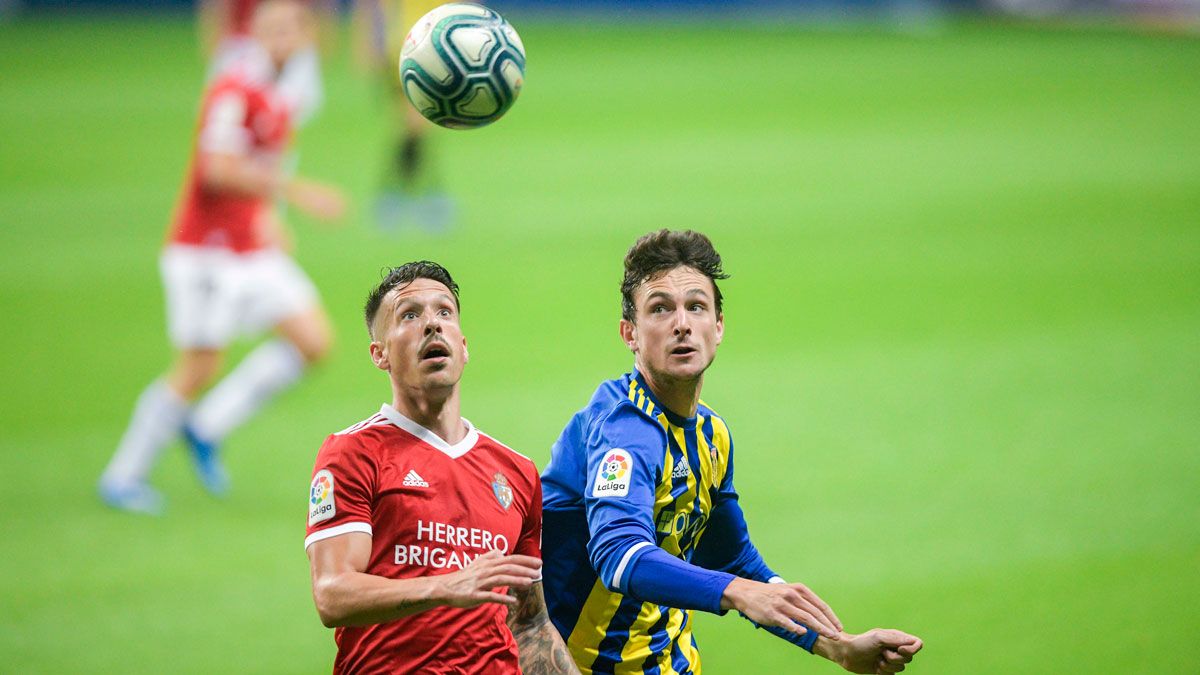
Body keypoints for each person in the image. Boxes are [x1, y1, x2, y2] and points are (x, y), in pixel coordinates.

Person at [540, 230, 924, 674]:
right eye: (660, 308)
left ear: (718, 326)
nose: (681, 323)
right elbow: (618, 554)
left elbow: (730, 556)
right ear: (630, 333)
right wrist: (738, 592)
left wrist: (836, 645)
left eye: (696, 306)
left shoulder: (711, 433)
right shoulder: (622, 430)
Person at [98, 0, 346, 514]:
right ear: (253, 34)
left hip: (249, 249)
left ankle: (207, 426)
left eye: (290, 28)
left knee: (313, 340)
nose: (280, 37)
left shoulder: (282, 97)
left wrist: (267, 215)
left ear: (305, 35)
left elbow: (255, 169)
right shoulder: (235, 89)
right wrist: (296, 194)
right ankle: (123, 475)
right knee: (198, 366)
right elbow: (216, 168)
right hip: (205, 252)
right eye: (269, 28)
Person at [304, 262, 577, 673]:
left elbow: (530, 624)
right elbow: (332, 594)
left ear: (463, 347)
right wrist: (446, 587)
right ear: (380, 354)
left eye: (444, 312)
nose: (432, 324)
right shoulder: (353, 453)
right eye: (409, 315)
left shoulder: (516, 472)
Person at [352, 0, 455, 230]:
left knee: (417, 127)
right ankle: (421, 196)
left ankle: (398, 193)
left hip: (438, 51)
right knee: (415, 123)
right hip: (403, 51)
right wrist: (366, 42)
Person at [199, 0, 337, 127]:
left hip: (290, 50)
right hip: (240, 43)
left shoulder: (301, 59)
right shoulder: (240, 69)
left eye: (282, 31)